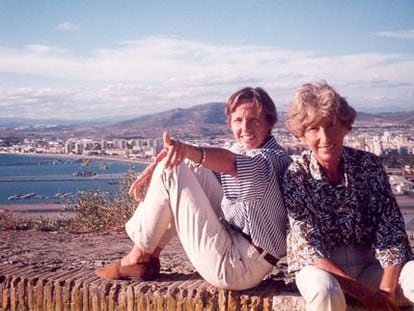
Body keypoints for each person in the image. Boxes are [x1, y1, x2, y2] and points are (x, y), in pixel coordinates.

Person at [96, 87, 291, 290]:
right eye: (238, 121)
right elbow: (203, 165)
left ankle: (138, 258)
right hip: (240, 243)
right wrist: (159, 163)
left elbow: (232, 164)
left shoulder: (270, 159)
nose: (245, 128)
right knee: (180, 164)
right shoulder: (245, 149)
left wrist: (187, 151)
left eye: (254, 120)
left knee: (172, 170)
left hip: (239, 267)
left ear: (270, 122)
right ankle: (149, 255)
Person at [283, 81, 414, 310]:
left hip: (370, 266)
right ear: (302, 134)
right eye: (314, 128)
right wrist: (367, 296)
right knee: (325, 291)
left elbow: (391, 232)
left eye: (331, 125)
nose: (325, 137)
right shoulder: (297, 175)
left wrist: (386, 291)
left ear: (346, 126)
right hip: (321, 270)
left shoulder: (368, 166)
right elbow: (308, 248)